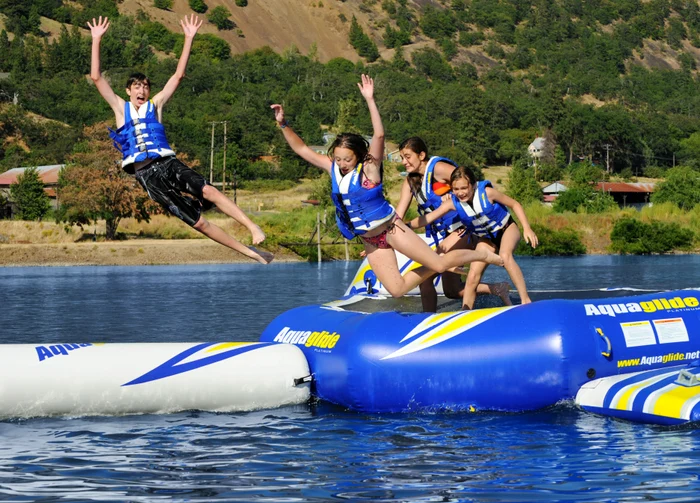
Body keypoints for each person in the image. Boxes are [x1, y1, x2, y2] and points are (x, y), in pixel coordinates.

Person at [270, 75, 503, 298]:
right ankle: (443, 267)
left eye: (347, 160)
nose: (341, 164)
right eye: (338, 159)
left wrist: (370, 100)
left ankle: (481, 255)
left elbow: (379, 135)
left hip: (391, 229)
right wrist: (284, 124)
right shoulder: (333, 168)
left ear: (359, 157)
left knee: (440, 262)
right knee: (398, 289)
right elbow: (301, 149)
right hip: (370, 240)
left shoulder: (369, 170)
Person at [88, 15, 273, 265]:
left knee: (209, 190)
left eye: (145, 86)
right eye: (136, 86)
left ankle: (253, 227)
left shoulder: (157, 104)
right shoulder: (121, 109)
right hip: (147, 176)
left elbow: (178, 75)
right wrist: (96, 39)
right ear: (128, 91)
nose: (141, 90)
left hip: (167, 164)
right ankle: (252, 254)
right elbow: (97, 77)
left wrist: (188, 38)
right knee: (198, 223)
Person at [395, 137, 512, 311]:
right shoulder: (410, 181)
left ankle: (428, 319)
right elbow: (398, 215)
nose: (404, 162)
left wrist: (452, 194)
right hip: (445, 234)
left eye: (407, 157)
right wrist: (382, 238)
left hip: (463, 229)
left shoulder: (439, 168)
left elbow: (469, 185)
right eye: (402, 158)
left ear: (421, 155)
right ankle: (497, 288)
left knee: (425, 276)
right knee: (452, 290)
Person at [408, 166, 538, 309]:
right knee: (472, 276)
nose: (460, 193)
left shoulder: (487, 193)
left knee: (505, 255)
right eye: (456, 189)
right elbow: (428, 218)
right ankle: (465, 312)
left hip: (506, 229)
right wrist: (405, 226)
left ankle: (525, 301)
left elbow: (514, 204)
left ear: (473, 185)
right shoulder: (453, 203)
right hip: (487, 239)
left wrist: (527, 228)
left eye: (464, 188)